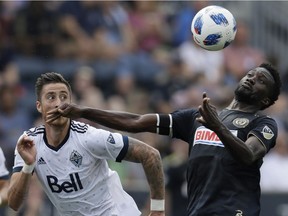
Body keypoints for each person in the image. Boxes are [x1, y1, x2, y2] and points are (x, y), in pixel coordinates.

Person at [46, 62, 282, 216]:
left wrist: (218, 126)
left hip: (235, 210)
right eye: (251, 74)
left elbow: (249, 154)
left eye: (261, 80)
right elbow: (136, 122)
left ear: (266, 101)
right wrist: (84, 112)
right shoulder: (198, 117)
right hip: (198, 210)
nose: (252, 78)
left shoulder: (262, 123)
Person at [8, 72, 165, 216]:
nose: (58, 104)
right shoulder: (29, 143)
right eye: (51, 97)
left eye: (64, 97)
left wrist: (158, 209)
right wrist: (28, 166)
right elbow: (14, 204)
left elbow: (150, 154)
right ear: (39, 106)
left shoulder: (89, 137)